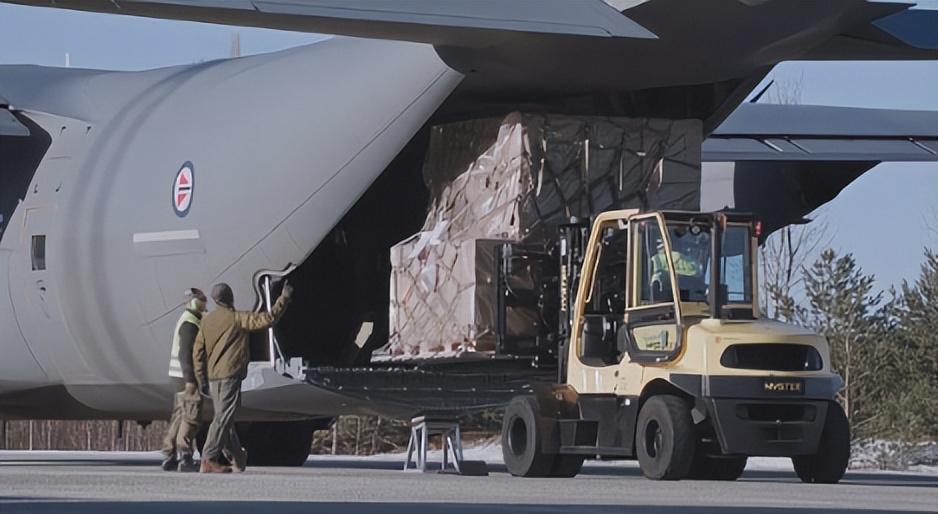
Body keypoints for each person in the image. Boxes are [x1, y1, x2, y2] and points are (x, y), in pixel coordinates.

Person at [193, 281, 293, 473]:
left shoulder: (206, 321)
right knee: (224, 417)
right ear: (230, 298)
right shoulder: (237, 319)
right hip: (230, 375)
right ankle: (208, 458)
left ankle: (238, 459)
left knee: (224, 419)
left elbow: (197, 351)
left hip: (213, 378)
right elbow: (268, 319)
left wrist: (201, 379)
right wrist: (284, 298)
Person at [160, 288, 208, 472]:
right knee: (191, 415)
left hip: (178, 375)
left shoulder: (188, 319)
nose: (203, 304)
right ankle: (185, 454)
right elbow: (185, 353)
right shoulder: (190, 323)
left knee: (179, 415)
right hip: (186, 376)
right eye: (199, 301)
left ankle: (169, 454)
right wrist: (191, 379)